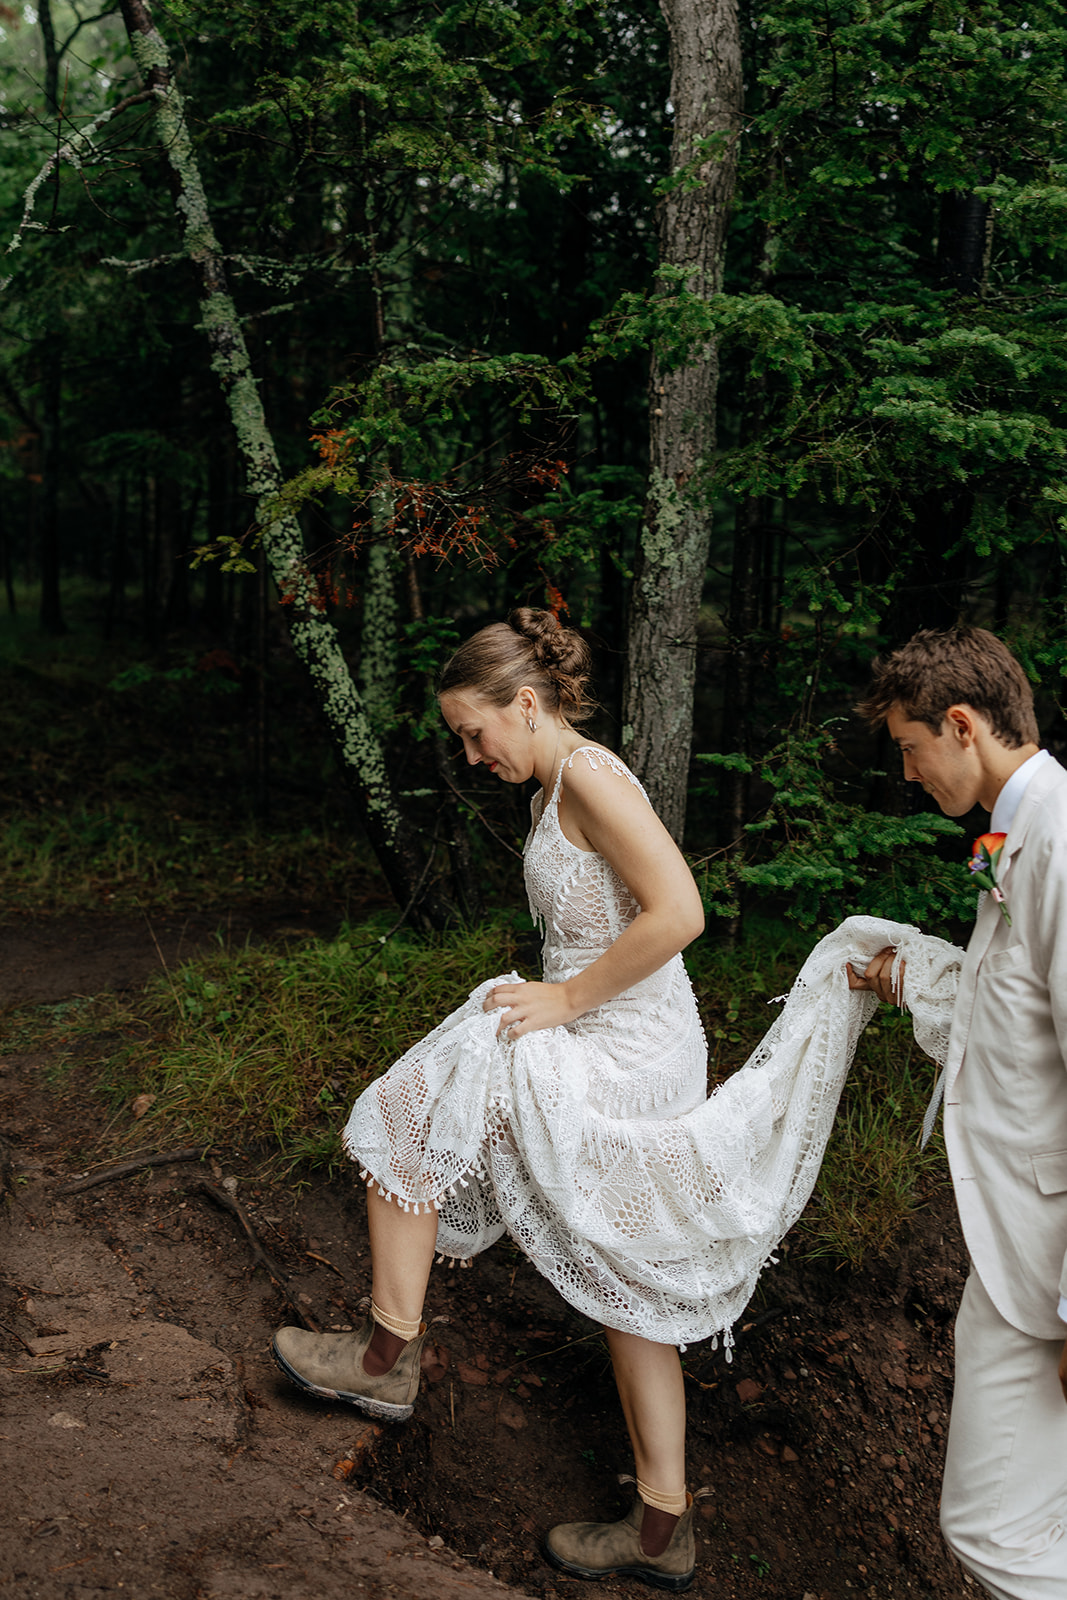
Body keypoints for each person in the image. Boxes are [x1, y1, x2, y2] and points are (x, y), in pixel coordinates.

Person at [271, 608, 903, 1591]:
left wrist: (562, 998)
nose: (471, 755)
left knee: (412, 1105)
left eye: (475, 732)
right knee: (628, 1279)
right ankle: (660, 1526)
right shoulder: (554, 784)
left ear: (524, 703)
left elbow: (680, 911)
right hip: (614, 1035)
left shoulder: (590, 779)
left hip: (629, 1044)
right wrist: (561, 998)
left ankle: (386, 1351)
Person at [850, 624, 1067, 1600]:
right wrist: (903, 981)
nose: (905, 772)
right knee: (1014, 1519)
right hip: (1010, 1243)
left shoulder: (1057, 837)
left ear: (961, 724)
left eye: (908, 746)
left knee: (988, 1524)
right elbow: (1002, 1008)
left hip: (1046, 1260)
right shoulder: (1007, 834)